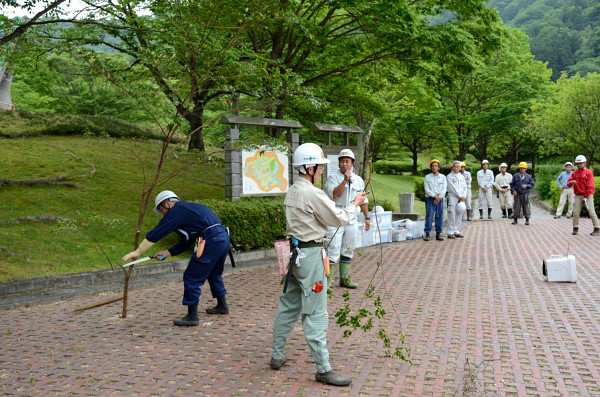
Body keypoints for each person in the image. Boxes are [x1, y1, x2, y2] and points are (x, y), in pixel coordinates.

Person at [271, 143, 367, 387]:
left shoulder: (293, 190)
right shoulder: (312, 193)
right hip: (312, 256)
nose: (322, 171)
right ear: (310, 167)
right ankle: (323, 369)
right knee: (315, 312)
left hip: (295, 256)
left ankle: (276, 355)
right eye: (320, 167)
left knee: (289, 305)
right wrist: (355, 203)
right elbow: (338, 218)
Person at [122, 190, 231, 326]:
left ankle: (192, 317)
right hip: (223, 239)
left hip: (211, 240)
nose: (162, 215)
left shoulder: (176, 211)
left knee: (192, 276)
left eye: (161, 210)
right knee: (214, 273)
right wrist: (168, 252)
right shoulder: (188, 209)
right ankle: (222, 306)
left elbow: (157, 233)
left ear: (167, 203)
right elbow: (187, 241)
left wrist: (138, 251)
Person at [324, 149, 370, 289]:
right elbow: (334, 195)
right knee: (332, 249)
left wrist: (367, 217)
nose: (344, 164)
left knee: (348, 249)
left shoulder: (358, 180)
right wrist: (344, 181)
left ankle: (344, 279)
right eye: (342, 161)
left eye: (347, 161)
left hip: (352, 218)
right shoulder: (333, 178)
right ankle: (328, 282)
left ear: (352, 164)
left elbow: (363, 199)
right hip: (336, 217)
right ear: (339, 164)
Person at [567, 155, 600, 236]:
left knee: (591, 211)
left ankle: (597, 228)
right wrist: (571, 182)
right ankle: (575, 228)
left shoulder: (588, 172)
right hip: (578, 195)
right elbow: (568, 183)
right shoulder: (574, 173)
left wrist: (586, 197)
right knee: (575, 212)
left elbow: (590, 186)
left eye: (581, 163)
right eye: (578, 164)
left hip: (588, 195)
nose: (579, 165)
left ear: (584, 163)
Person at [423, 159, 447, 241]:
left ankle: (438, 233)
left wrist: (439, 197)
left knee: (439, 216)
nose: (434, 167)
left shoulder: (443, 177)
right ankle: (427, 233)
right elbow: (427, 189)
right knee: (429, 215)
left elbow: (444, 189)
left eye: (436, 166)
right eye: (432, 166)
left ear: (439, 168)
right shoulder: (427, 177)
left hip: (440, 198)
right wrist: (434, 196)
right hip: (430, 198)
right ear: (430, 168)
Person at [446, 160, 467, 239]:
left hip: (461, 198)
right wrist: (460, 196)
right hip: (453, 196)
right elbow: (452, 188)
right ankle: (450, 232)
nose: (456, 168)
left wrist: (463, 196)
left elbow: (465, 187)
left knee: (460, 212)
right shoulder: (449, 176)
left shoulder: (461, 177)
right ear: (452, 167)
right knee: (452, 213)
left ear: (460, 168)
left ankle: (456, 231)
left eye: (457, 167)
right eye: (454, 166)